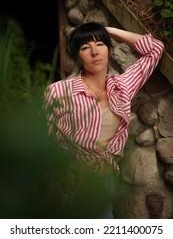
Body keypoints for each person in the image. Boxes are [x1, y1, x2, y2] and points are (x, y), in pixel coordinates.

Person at [44, 22, 164, 217]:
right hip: (71, 184)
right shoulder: (59, 91)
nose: (94, 52)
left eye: (100, 44)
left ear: (109, 49)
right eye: (85, 47)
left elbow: (155, 49)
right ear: (78, 57)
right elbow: (45, 140)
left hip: (105, 183)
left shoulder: (121, 87)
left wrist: (107, 30)